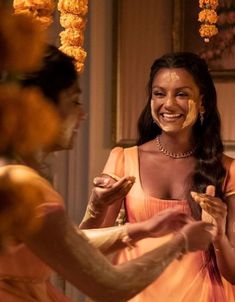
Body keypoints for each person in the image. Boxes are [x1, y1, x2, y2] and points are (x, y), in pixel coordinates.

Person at [0, 45, 216, 302]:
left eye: (181, 94)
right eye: (74, 101)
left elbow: (71, 244)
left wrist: (142, 229)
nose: (82, 114)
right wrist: (179, 242)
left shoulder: (14, 178)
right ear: (39, 111)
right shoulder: (25, 189)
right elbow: (110, 287)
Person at [80, 52, 235, 301]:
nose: (169, 104)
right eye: (159, 93)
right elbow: (84, 249)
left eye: (182, 94)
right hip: (136, 294)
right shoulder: (123, 159)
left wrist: (218, 237)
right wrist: (96, 206)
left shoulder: (228, 170)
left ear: (203, 102)